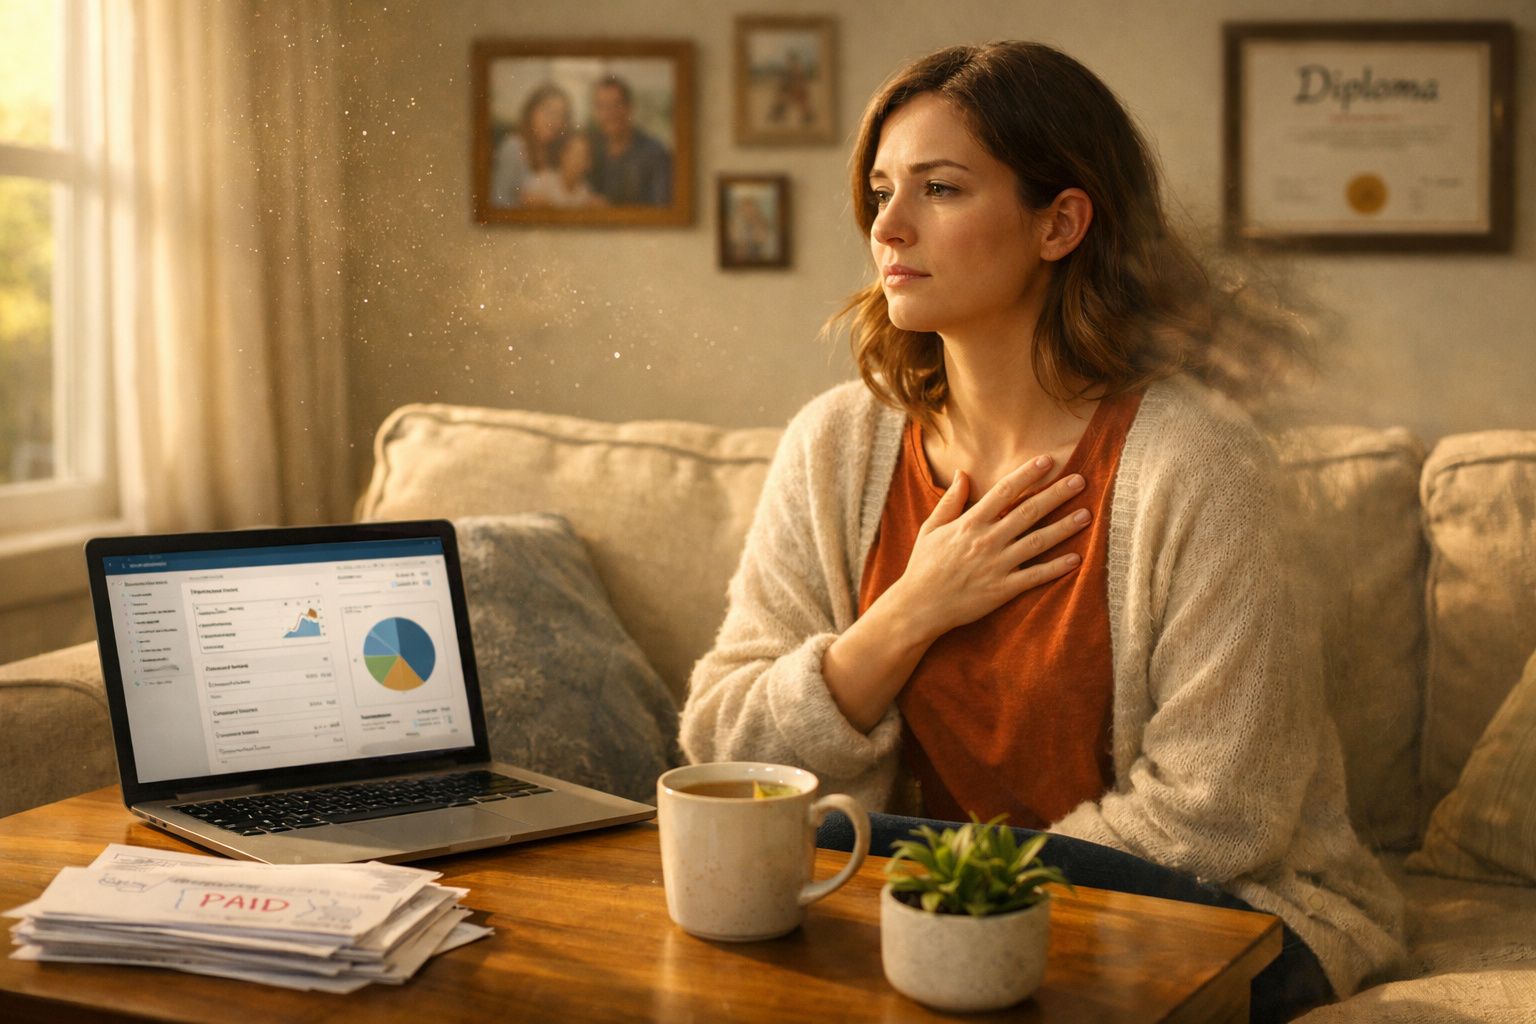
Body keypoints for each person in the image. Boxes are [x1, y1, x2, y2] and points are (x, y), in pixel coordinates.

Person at [679, 41, 1405, 1023]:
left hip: (1206, 908)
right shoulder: (836, 446)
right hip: (924, 903)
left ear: (1060, 222)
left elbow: (1217, 815)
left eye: (939, 188)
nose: (887, 226)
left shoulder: (1199, 465)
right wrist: (907, 612)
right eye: (882, 190)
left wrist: (963, 896)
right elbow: (725, 743)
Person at [588, 75, 672, 207]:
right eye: (602, 106)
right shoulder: (591, 150)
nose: (609, 113)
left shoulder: (654, 152)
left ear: (629, 108)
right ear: (595, 112)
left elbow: (662, 208)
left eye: (616, 104)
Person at [491, 83, 573, 208]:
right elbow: (498, 200)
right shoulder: (513, 146)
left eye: (561, 115)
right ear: (531, 112)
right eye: (549, 111)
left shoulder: (556, 152)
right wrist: (523, 202)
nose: (554, 120)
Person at [522, 132, 605, 210]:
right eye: (574, 153)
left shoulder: (586, 192)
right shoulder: (544, 179)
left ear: (588, 164)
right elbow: (524, 201)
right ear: (562, 155)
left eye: (583, 156)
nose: (577, 160)